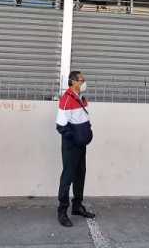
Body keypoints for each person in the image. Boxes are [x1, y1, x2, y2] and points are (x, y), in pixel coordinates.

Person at [56, 70, 95, 227]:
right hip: (71, 146)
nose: (84, 82)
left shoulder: (80, 98)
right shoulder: (66, 99)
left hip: (81, 145)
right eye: (81, 80)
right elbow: (60, 126)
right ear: (73, 82)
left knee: (80, 174)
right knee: (68, 176)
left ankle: (77, 206)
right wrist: (75, 138)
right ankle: (62, 211)